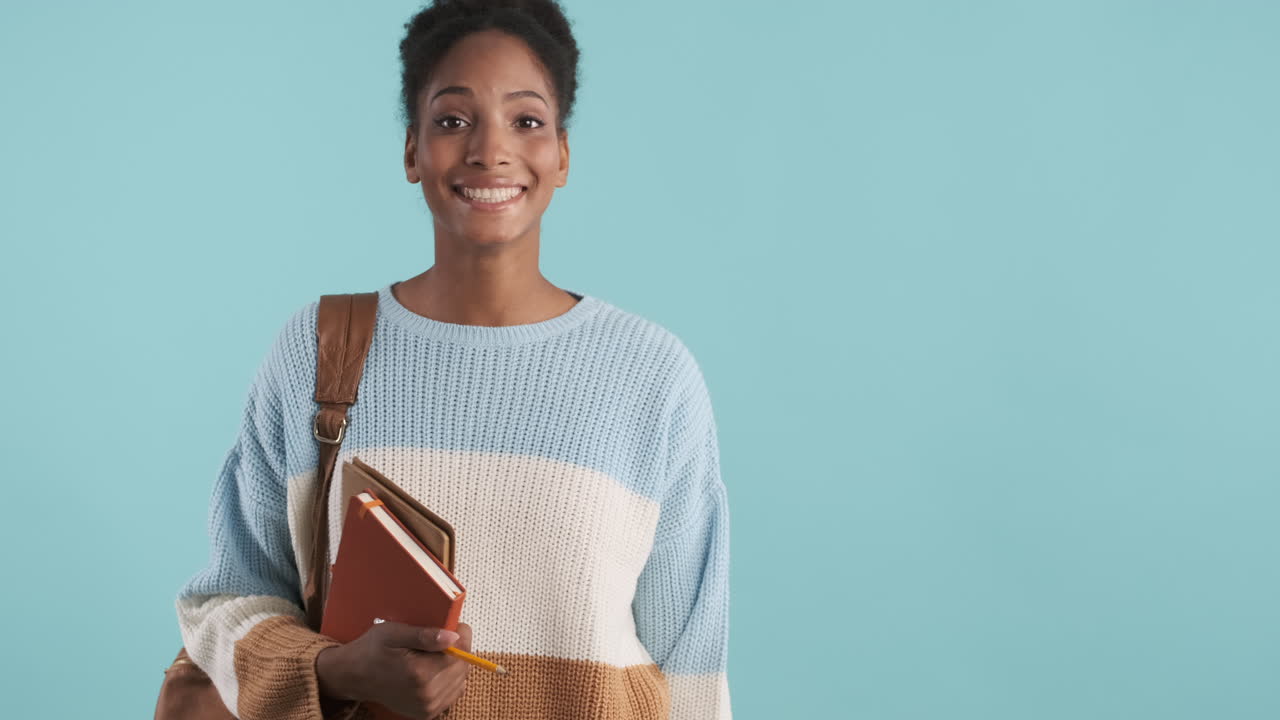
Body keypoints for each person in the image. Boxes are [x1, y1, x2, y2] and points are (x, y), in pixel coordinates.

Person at [173, 1, 731, 718]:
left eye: (526, 121)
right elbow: (224, 607)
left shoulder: (654, 376)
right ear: (412, 150)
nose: (489, 150)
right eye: (452, 119)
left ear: (562, 154)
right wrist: (336, 670)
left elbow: (693, 669)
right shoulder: (319, 351)